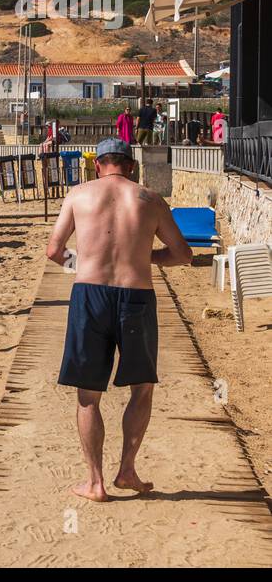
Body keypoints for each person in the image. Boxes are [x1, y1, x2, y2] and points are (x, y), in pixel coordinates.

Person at [45, 137, 191, 502]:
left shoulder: (78, 195)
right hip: (137, 296)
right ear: (131, 165)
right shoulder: (150, 199)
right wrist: (145, 257)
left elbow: (54, 252)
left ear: (99, 165)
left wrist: (83, 266)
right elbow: (183, 254)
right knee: (142, 387)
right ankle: (127, 470)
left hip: (89, 295)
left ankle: (95, 483)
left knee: (88, 395)